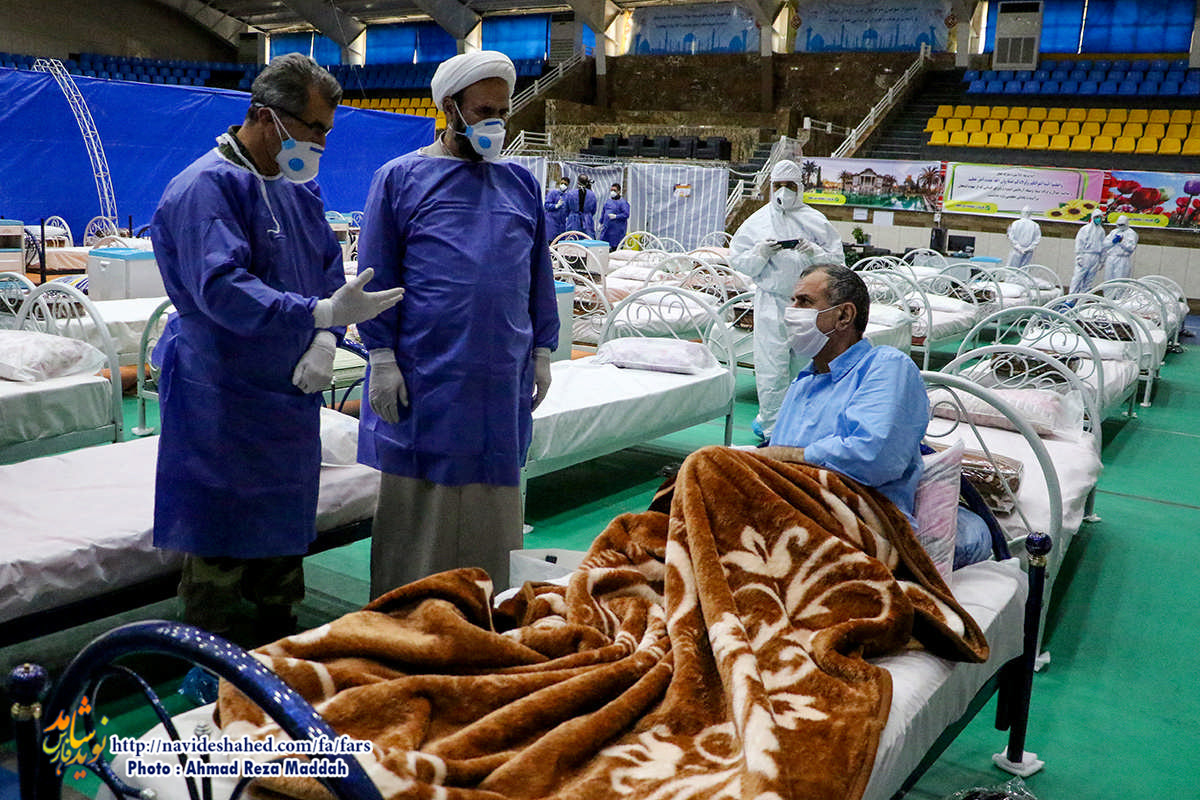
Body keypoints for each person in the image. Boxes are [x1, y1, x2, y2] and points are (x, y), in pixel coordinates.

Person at [149, 53, 404, 643]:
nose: (321, 143)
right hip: (221, 390)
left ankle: (275, 646)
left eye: (327, 131)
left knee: (282, 526)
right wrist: (317, 315)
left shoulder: (297, 190)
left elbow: (327, 273)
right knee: (220, 533)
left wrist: (325, 340)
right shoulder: (204, 189)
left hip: (289, 393)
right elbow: (221, 289)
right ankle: (208, 658)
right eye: (314, 128)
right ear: (266, 116)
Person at [356, 50, 560, 598]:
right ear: (450, 109)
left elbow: (537, 274)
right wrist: (381, 357)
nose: (497, 123)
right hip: (426, 375)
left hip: (499, 377)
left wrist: (542, 351)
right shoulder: (400, 179)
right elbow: (376, 275)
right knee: (418, 512)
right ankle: (405, 615)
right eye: (484, 112)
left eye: (503, 112)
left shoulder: (520, 185)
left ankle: (485, 615)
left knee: (492, 514)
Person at [760, 263, 992, 570]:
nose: (791, 312)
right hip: (794, 512)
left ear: (844, 315)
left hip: (862, 522)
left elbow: (873, 456)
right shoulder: (805, 381)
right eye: (792, 301)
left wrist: (783, 456)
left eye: (804, 302)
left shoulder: (885, 365)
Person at [729, 159, 845, 441]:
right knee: (770, 367)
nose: (784, 191)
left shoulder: (816, 220)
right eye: (778, 185)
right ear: (771, 187)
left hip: (810, 306)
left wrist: (815, 253)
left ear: (800, 187)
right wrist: (760, 253)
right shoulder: (756, 222)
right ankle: (772, 430)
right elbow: (739, 262)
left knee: (805, 366)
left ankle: (804, 426)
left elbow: (838, 264)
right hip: (771, 302)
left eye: (790, 185)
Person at [1070, 209, 1107, 293]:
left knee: (1090, 279)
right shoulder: (1085, 229)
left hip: (1096, 256)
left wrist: (1102, 260)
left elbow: (1103, 246)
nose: (1098, 219)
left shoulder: (1101, 231)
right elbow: (1079, 242)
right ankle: (1071, 297)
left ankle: (1083, 297)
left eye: (1100, 217)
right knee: (1078, 277)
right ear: (1093, 217)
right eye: (1096, 217)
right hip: (1085, 255)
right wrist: (1079, 256)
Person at [1102, 214, 1138, 282]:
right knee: (1108, 278)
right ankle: (1108, 289)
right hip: (1111, 257)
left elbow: (1131, 247)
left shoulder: (1131, 233)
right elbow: (1105, 244)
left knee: (1120, 279)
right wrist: (1112, 242)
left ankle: (1119, 289)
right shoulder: (1114, 232)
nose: (1120, 226)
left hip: (1122, 259)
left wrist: (1121, 242)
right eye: (1119, 224)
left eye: (1122, 224)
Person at [599, 183, 631, 251]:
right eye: (611, 190)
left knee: (616, 248)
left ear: (619, 191)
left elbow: (626, 214)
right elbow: (603, 212)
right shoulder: (608, 201)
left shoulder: (623, 203)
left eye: (614, 190)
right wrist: (600, 222)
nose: (612, 192)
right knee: (604, 247)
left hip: (617, 230)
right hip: (607, 229)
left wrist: (616, 216)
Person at [544, 177, 570, 244]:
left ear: (568, 186)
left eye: (565, 184)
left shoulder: (568, 196)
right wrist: (555, 206)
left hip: (561, 224)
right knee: (550, 242)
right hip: (551, 222)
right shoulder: (553, 193)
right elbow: (546, 205)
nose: (563, 185)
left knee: (559, 243)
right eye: (562, 183)